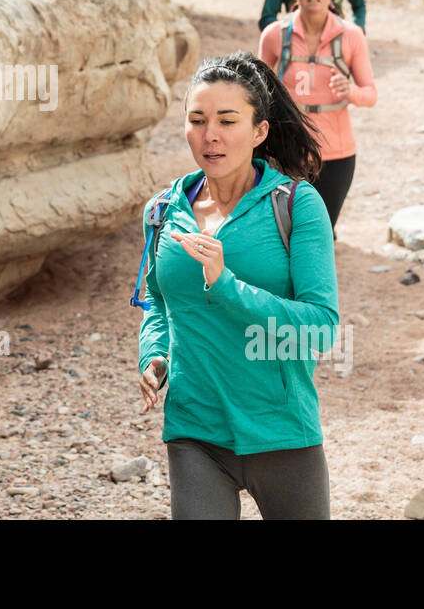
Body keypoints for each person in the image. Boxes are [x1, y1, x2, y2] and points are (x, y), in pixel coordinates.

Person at [136, 52, 339, 520]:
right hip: (195, 431)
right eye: (197, 120)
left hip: (282, 431)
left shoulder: (296, 205)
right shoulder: (163, 211)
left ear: (260, 131)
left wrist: (227, 287)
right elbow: (158, 304)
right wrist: (155, 355)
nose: (211, 135)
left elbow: (322, 328)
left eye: (228, 121)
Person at [259, 0, 376, 236]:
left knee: (320, 230)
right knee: (283, 231)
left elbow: (370, 94)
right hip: (285, 152)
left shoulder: (351, 35)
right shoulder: (274, 35)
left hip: (335, 153)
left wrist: (350, 92)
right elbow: (255, 93)